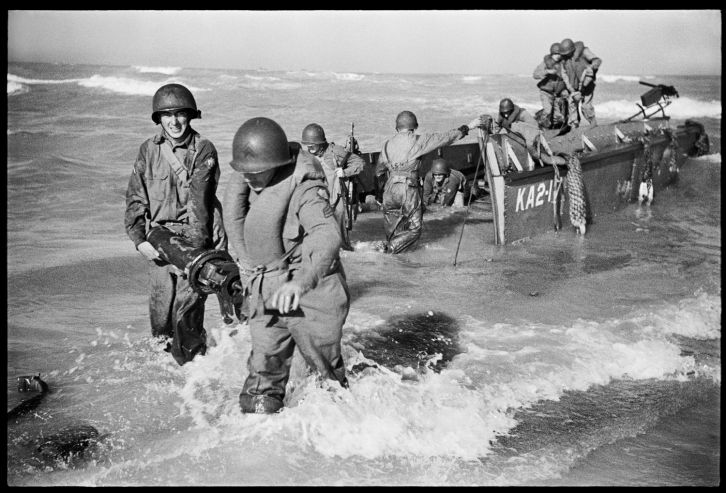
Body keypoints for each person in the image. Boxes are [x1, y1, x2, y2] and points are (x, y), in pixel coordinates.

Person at [222, 117, 349, 414]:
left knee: (325, 375)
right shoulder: (249, 181)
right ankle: (259, 441)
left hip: (310, 291)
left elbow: (326, 234)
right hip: (268, 288)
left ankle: (336, 441)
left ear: (277, 164)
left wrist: (302, 282)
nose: (250, 179)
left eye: (258, 172)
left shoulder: (305, 188)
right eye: (246, 173)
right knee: (263, 371)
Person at [125, 83, 226, 366]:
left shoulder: (203, 149)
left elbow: (199, 204)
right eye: (167, 115)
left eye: (181, 114)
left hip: (193, 239)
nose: (175, 121)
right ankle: (164, 380)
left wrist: (193, 255)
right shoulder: (148, 150)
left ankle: (194, 376)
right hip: (158, 238)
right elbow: (135, 198)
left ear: (190, 115)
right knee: (160, 319)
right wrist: (139, 240)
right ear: (159, 119)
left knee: (187, 317)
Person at [374, 111, 483, 253]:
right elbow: (446, 138)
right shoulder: (418, 140)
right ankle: (389, 248)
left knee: (394, 231)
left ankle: (392, 256)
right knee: (414, 230)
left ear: (397, 128)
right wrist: (468, 127)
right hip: (407, 188)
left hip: (389, 190)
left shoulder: (387, 145)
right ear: (414, 127)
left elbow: (378, 173)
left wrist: (378, 197)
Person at [300, 123, 365, 251]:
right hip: (319, 198)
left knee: (340, 234)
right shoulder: (308, 155)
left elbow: (359, 162)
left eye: (312, 145)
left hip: (337, 198)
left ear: (320, 142)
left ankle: (346, 253)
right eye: (307, 146)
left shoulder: (335, 151)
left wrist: (345, 172)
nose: (309, 148)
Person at [558, 38, 602, 127]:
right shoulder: (564, 59)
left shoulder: (584, 52)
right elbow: (564, 74)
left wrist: (592, 67)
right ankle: (574, 126)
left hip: (587, 84)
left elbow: (597, 60)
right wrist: (570, 88)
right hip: (573, 86)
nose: (566, 55)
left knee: (586, 107)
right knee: (572, 105)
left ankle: (593, 124)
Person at [532, 42, 570, 128]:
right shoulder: (546, 63)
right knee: (548, 111)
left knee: (559, 117)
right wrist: (547, 72)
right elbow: (535, 74)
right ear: (552, 54)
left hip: (558, 94)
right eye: (555, 54)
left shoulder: (563, 63)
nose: (558, 56)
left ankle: (554, 128)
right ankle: (539, 123)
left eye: (559, 53)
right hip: (546, 92)